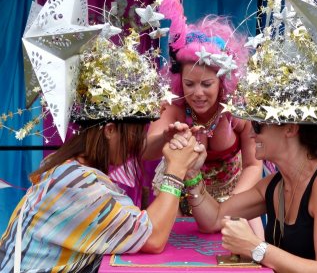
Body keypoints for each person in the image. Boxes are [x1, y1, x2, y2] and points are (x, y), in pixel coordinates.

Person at [169, 0, 317, 272]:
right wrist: (193, 175)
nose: (252, 133)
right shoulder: (276, 185)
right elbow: (214, 218)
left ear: (291, 128)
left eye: (259, 126)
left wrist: (257, 248)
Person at [0, 21, 206, 272]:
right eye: (137, 132)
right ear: (109, 130)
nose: (139, 141)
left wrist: (165, 140)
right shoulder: (77, 184)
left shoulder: (67, 168)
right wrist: (175, 171)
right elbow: (152, 238)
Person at [144, 0, 264, 237]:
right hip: (176, 192)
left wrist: (232, 205)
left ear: (223, 82)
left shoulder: (237, 110)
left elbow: (254, 166)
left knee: (251, 254)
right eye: (189, 84)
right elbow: (146, 152)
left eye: (207, 84)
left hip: (233, 194)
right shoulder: (174, 109)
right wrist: (165, 137)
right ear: (180, 82)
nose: (197, 93)